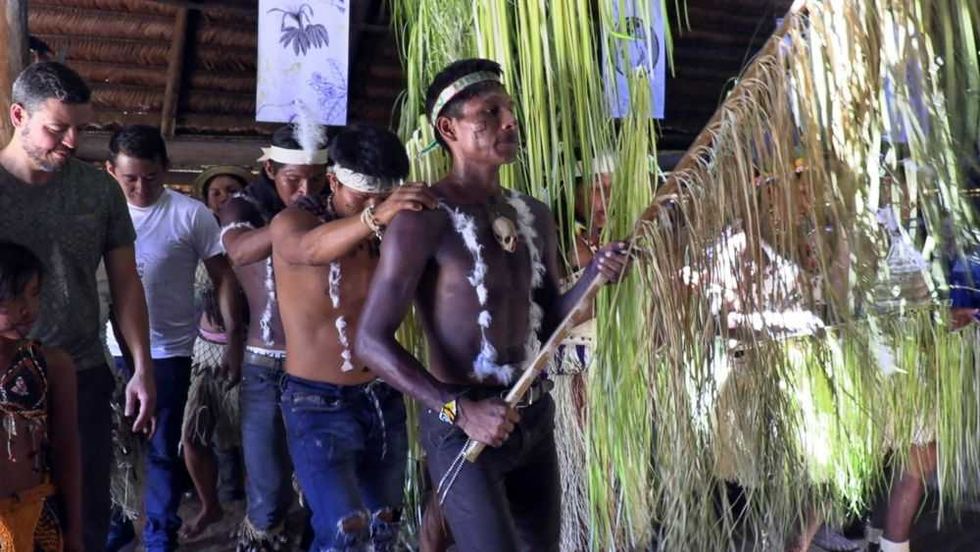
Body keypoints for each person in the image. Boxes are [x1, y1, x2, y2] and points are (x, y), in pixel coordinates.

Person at [356, 58, 629, 552]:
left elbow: (547, 323)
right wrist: (458, 410)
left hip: (533, 416)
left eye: (509, 110)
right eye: (491, 111)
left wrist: (593, 278)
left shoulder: (535, 215)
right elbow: (370, 341)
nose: (510, 121)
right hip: (464, 428)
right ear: (449, 128)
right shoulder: (422, 219)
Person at [0, 61, 155, 550]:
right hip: (2, 376)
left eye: (79, 129)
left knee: (82, 517)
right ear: (18, 115)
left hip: (84, 371)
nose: (71, 142)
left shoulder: (98, 190)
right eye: (56, 128)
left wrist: (141, 367)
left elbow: (127, 285)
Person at [270, 124, 436, 550]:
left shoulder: (397, 229)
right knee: (346, 528)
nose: (375, 206)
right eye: (362, 197)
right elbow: (307, 250)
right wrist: (376, 216)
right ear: (333, 181)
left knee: (384, 525)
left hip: (382, 395)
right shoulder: (294, 221)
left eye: (383, 198)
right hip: (315, 403)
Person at [101, 125, 244, 551]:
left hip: (170, 351)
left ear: (165, 169)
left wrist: (232, 335)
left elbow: (224, 277)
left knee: (163, 446)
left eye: (151, 176)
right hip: (108, 349)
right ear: (111, 171)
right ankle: (118, 524)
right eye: (130, 179)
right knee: (111, 447)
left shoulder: (189, 214)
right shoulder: (100, 213)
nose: (141, 187)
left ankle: (160, 534)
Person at [218, 126, 324, 549]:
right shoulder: (241, 206)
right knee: (266, 486)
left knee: (322, 477)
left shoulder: (332, 204)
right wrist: (296, 221)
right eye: (292, 179)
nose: (304, 190)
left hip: (320, 362)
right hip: (264, 361)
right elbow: (241, 251)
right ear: (268, 169)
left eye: (316, 179)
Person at [180, 165, 251, 539]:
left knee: (254, 441)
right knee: (193, 435)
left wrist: (237, 342)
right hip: (205, 351)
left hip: (250, 351)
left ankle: (259, 518)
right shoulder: (199, 240)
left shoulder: (255, 237)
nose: (224, 198)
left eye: (232, 190)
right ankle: (211, 504)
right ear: (206, 200)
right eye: (216, 192)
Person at [0, 242, 82, 551]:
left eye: (34, 293)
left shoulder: (52, 366)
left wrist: (74, 531)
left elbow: (67, 450)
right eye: (15, 295)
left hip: (34, 518)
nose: (28, 308)